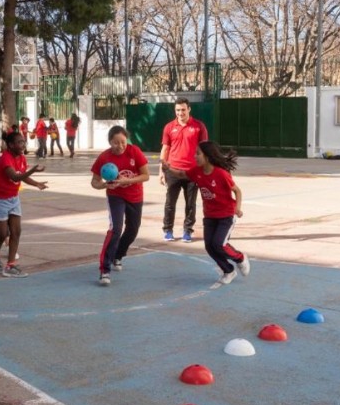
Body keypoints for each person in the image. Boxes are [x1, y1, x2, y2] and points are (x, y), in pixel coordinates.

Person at [162, 141, 250, 285]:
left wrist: (237, 208)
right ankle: (228, 270)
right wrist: (168, 168)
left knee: (219, 244)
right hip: (210, 216)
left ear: (207, 157)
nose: (194, 156)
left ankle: (240, 258)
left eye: (198, 153)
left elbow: (237, 191)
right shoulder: (197, 172)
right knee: (209, 247)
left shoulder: (221, 174)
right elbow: (181, 173)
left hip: (226, 215)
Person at [91, 125, 149, 286]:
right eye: (116, 143)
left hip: (135, 196)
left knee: (133, 229)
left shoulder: (134, 151)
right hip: (115, 196)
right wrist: (104, 186)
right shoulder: (104, 158)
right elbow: (94, 182)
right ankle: (105, 270)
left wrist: (127, 181)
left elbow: (146, 176)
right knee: (115, 229)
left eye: (123, 142)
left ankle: (118, 255)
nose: (120, 146)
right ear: (110, 142)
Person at [0, 131, 48, 278]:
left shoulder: (21, 158)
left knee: (16, 232)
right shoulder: (5, 159)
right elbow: (15, 176)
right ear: (10, 145)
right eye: (19, 142)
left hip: (13, 198)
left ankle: (10, 265)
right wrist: (33, 171)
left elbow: (22, 177)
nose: (23, 145)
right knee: (3, 234)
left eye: (23, 142)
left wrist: (36, 184)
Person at [158, 97, 208, 243]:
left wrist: (205, 170)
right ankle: (168, 230)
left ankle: (187, 231)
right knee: (170, 203)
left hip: (193, 172)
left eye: (183, 110)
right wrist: (161, 171)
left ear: (189, 109)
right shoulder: (169, 127)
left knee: (190, 204)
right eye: (178, 110)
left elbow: (204, 150)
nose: (180, 113)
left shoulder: (199, 126)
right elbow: (165, 149)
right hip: (172, 171)